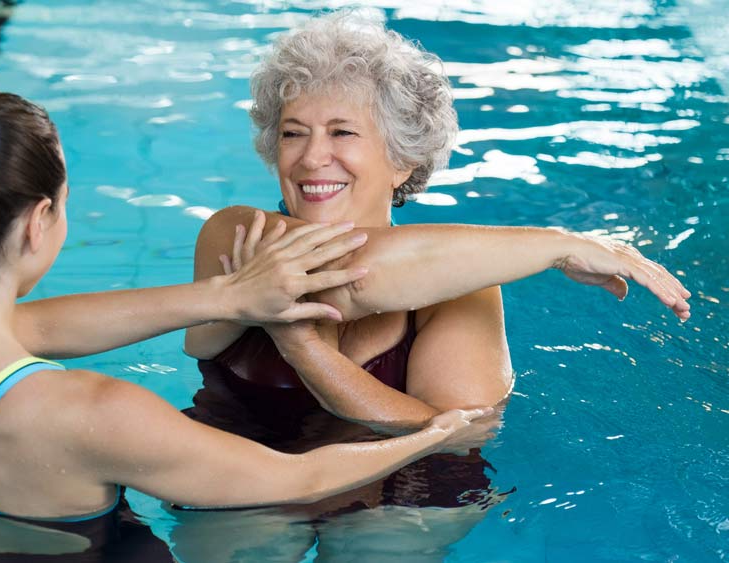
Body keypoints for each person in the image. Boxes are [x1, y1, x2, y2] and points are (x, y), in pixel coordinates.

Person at [0, 91, 490, 529]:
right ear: (40, 221)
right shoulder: (95, 415)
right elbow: (300, 476)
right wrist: (436, 432)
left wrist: (223, 299)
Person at [177, 11, 691, 560]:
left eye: (342, 132)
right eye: (292, 133)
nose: (310, 157)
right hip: (247, 463)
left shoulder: (464, 284)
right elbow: (347, 273)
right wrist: (555, 244)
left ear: (401, 162)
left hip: (407, 487)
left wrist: (306, 352)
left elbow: (460, 432)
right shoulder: (235, 235)